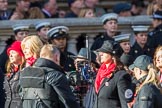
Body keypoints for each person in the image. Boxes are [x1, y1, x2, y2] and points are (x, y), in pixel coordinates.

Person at [94, 40, 133, 108]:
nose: (101, 54)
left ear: (112, 56)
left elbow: (125, 103)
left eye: (104, 52)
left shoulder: (121, 75)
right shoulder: (100, 73)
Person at [3, 41, 25, 108]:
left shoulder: (25, 71)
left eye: (13, 52)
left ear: (21, 54)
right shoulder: (10, 72)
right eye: (9, 53)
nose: (10, 55)